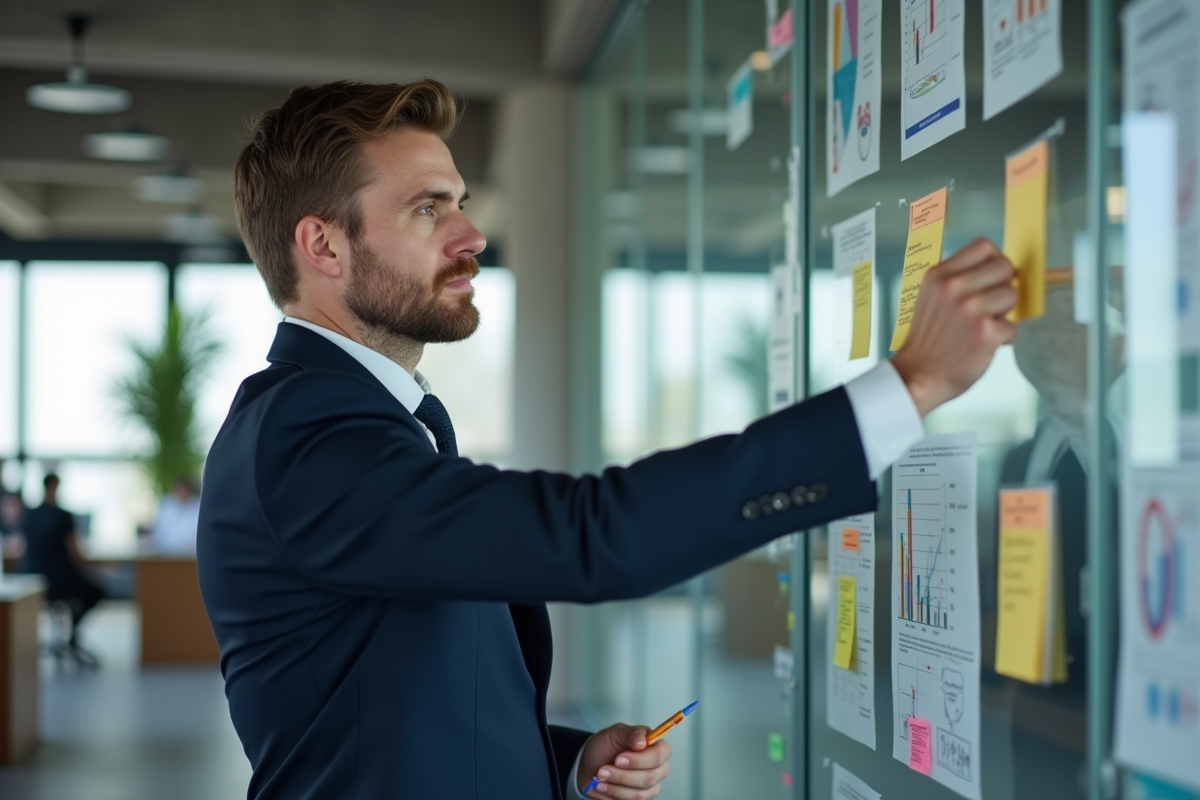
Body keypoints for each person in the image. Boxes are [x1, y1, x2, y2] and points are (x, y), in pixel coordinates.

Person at [198, 79, 1017, 800]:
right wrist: (907, 388)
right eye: (427, 208)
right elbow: (592, 534)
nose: (471, 235)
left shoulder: (366, 425)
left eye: (461, 201)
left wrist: (564, 762)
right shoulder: (303, 435)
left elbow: (392, 710)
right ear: (324, 246)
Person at [21, 473, 107, 650]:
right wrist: (97, 567)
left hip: (30, 582)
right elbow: (76, 555)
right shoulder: (63, 516)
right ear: (56, 487)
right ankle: (72, 635)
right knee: (96, 592)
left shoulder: (29, 515)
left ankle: (66, 637)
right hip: (58, 581)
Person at [150, 476, 201, 554]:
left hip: (190, 554)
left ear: (189, 490)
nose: (182, 492)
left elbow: (197, 534)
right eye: (179, 489)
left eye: (184, 490)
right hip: (165, 553)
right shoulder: (166, 504)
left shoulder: (197, 506)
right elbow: (158, 530)